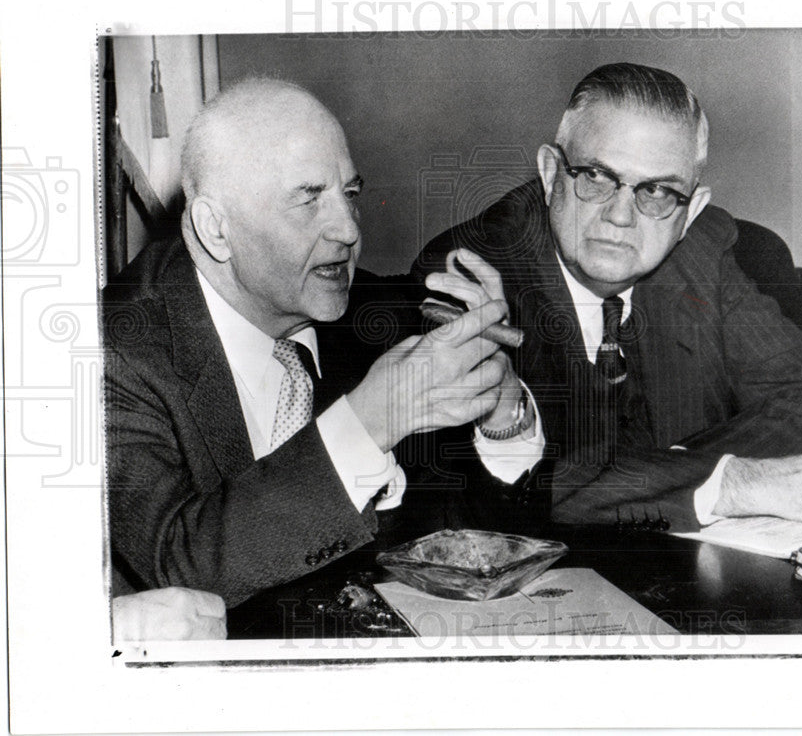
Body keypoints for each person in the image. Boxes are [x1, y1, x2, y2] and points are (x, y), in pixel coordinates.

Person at [104, 78, 541, 610]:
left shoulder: (381, 314)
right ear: (216, 228)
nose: (349, 229)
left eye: (349, 194)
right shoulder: (111, 351)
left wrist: (501, 405)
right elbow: (175, 568)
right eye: (309, 199)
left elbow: (476, 550)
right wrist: (367, 422)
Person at [415, 63, 802, 532]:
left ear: (691, 211)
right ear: (550, 172)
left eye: (657, 190)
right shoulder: (468, 272)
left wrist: (674, 475)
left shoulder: (701, 251)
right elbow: (505, 495)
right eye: (597, 177)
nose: (621, 216)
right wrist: (734, 483)